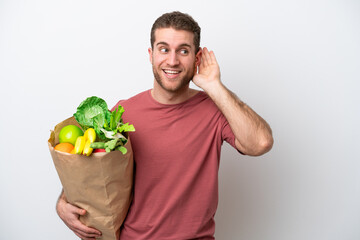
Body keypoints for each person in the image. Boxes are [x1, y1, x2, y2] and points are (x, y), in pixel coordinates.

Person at [56, 11, 273, 240]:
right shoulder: (123, 113)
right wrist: (63, 201)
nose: (172, 61)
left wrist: (215, 86)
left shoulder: (215, 110)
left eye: (183, 51)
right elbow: (90, 165)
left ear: (196, 58)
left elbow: (260, 143)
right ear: (151, 55)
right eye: (164, 49)